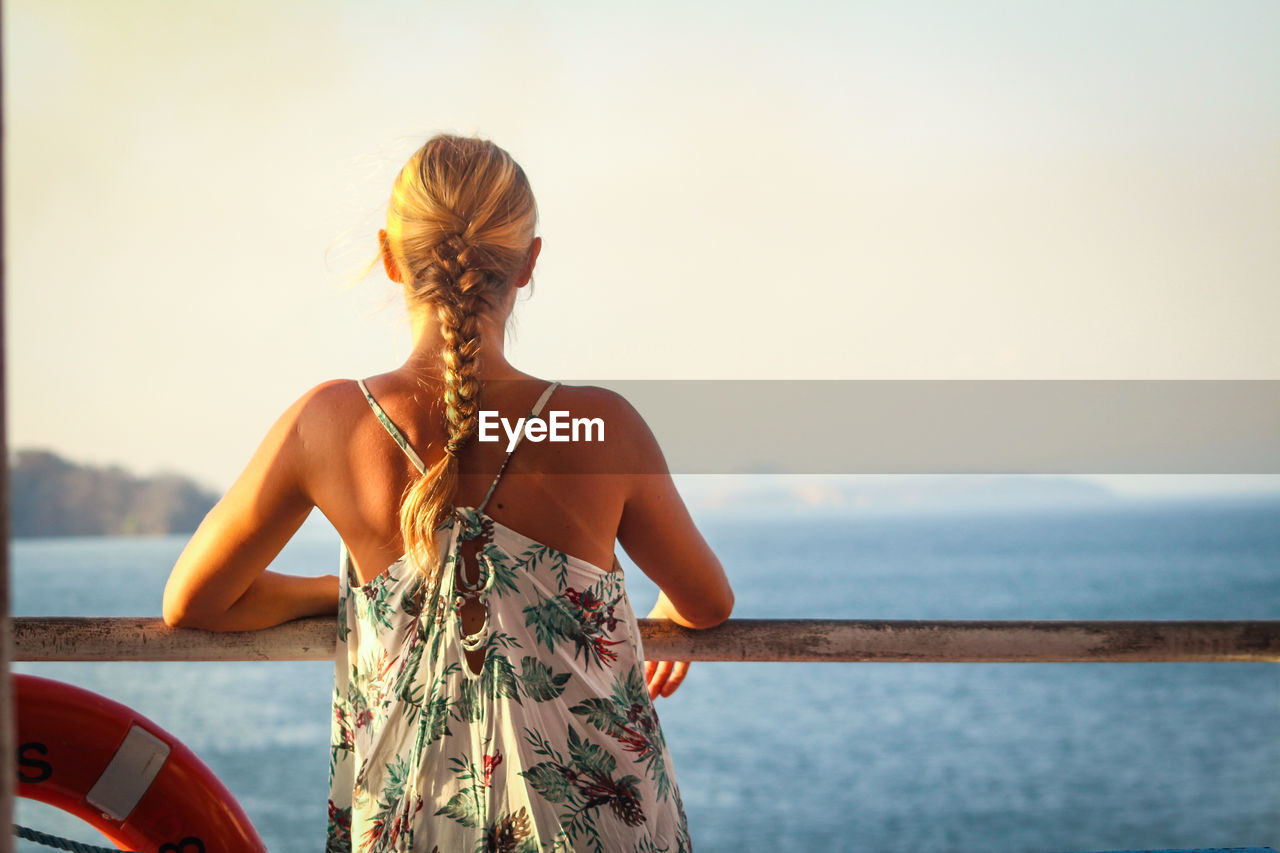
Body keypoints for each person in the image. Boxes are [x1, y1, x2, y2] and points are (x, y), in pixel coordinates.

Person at [162, 133, 735, 852]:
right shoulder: (602, 425)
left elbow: (194, 601)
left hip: (412, 819)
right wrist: (661, 606)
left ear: (389, 256)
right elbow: (709, 601)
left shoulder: (327, 423)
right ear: (528, 264)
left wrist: (340, 595)